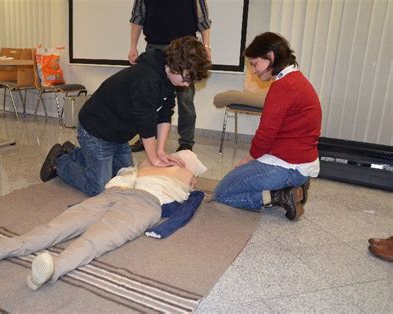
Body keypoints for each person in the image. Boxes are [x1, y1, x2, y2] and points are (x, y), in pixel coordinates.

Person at [0, 150, 207, 291]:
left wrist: (186, 172)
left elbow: (189, 194)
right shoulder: (150, 159)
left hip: (145, 203)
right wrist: (160, 157)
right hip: (113, 192)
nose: (179, 158)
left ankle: (53, 268)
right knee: (58, 226)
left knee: (97, 239)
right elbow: (140, 162)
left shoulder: (187, 175)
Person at [40, 36, 211, 197]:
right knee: (99, 188)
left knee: (123, 178)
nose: (187, 85)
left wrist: (160, 151)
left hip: (119, 135)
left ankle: (76, 152)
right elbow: (146, 122)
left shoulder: (170, 77)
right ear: (175, 66)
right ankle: (60, 160)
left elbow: (165, 113)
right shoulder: (147, 78)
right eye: (186, 79)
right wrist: (153, 159)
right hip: (96, 131)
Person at [213, 32, 322, 221]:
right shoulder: (296, 79)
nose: (254, 71)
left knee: (222, 193)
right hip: (298, 162)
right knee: (238, 179)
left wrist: (250, 157)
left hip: (289, 165)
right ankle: (292, 187)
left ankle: (279, 196)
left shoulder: (283, 86)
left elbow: (266, 133)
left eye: (255, 64)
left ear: (270, 56)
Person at [128, 0, 212, 152]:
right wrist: (133, 45)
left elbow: (203, 20)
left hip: (186, 49)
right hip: (155, 47)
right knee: (150, 97)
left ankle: (186, 142)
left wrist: (206, 46)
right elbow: (137, 17)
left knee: (185, 100)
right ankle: (146, 138)